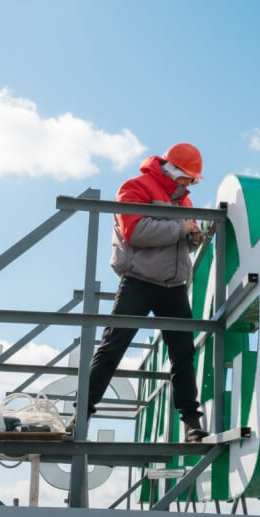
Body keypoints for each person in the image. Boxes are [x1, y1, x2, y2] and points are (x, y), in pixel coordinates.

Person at [70, 143, 208, 442]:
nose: (190, 183)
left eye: (193, 179)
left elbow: (178, 238)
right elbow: (135, 232)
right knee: (112, 348)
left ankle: (192, 423)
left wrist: (193, 238)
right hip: (140, 280)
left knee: (183, 354)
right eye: (189, 177)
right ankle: (79, 416)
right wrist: (181, 229)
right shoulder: (135, 187)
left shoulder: (183, 200)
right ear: (173, 170)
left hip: (173, 285)